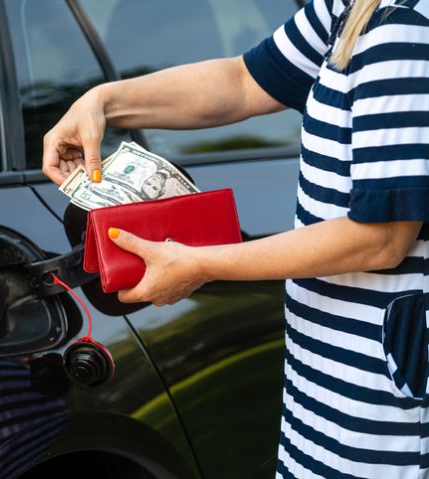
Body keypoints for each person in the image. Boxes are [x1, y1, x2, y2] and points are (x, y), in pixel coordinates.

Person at [42, 0, 429, 476]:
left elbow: (381, 237)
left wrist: (201, 265)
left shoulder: (406, 26)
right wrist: (102, 102)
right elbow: (243, 82)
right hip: (325, 379)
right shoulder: (350, 8)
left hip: (382, 398)